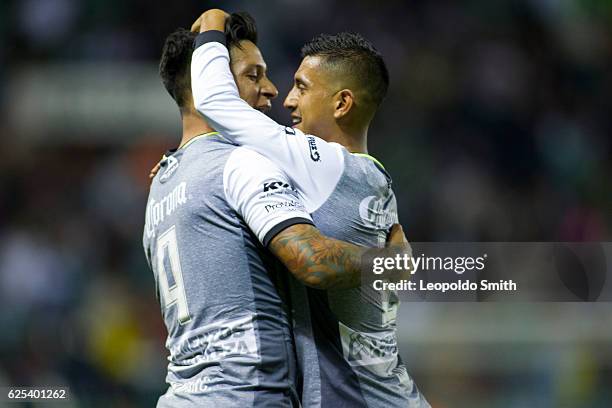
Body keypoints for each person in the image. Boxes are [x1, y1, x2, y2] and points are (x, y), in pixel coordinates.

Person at [144, 14, 410, 407]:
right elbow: (312, 260)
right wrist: (392, 263)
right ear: (208, 77)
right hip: (243, 394)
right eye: (254, 76)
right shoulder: (244, 165)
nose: (273, 92)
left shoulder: (163, 184)